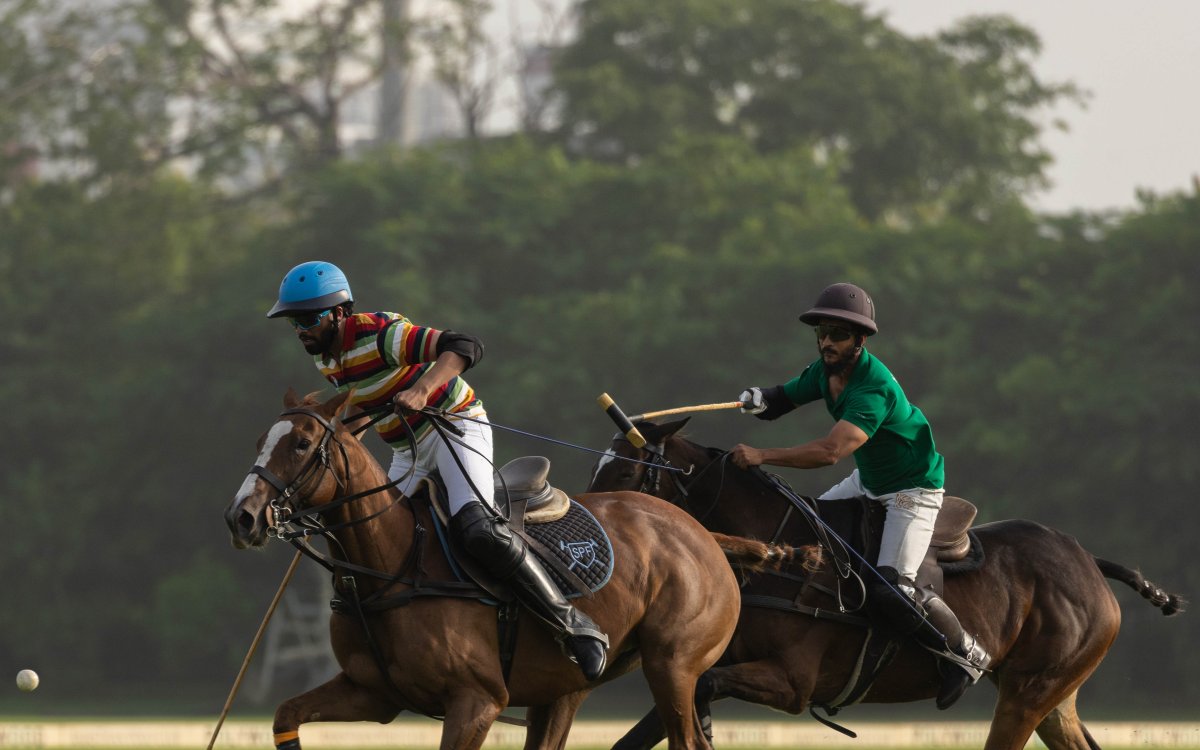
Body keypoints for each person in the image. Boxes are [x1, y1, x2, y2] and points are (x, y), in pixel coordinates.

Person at [267, 260, 608, 680]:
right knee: (374, 532)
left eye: (307, 319)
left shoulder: (380, 334)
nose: (300, 329)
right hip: (406, 449)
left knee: (478, 527)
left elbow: (465, 345)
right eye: (294, 321)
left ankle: (573, 625)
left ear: (338, 313)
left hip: (455, 427)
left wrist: (422, 389)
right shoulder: (327, 358)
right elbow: (363, 407)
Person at [730, 282, 989, 710]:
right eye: (822, 333)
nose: (827, 342)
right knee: (807, 528)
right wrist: (760, 399)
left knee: (895, 588)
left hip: (911, 490)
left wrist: (763, 456)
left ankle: (966, 654)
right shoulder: (826, 370)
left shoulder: (873, 387)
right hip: (869, 481)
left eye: (838, 334)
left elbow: (829, 452)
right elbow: (784, 397)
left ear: (860, 340)